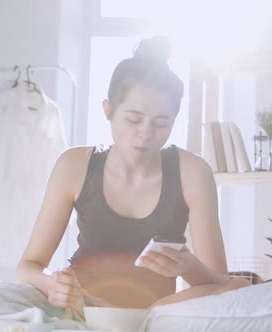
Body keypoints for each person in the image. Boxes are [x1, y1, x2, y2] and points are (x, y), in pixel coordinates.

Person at [16, 36, 249, 310]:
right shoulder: (74, 166)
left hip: (155, 314)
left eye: (161, 123)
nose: (145, 134)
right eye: (133, 119)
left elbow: (218, 284)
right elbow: (27, 268)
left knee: (240, 287)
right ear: (108, 110)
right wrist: (54, 285)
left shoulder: (193, 173)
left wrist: (189, 265)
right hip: (85, 310)